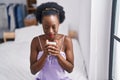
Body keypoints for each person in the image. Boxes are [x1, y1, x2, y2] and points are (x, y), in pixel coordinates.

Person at [30, 2, 74, 80]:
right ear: (42, 24)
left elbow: (70, 69)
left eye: (54, 27)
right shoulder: (36, 41)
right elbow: (33, 71)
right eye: (46, 27)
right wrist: (45, 55)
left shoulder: (66, 40)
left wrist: (58, 54)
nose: (50, 31)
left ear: (59, 24)